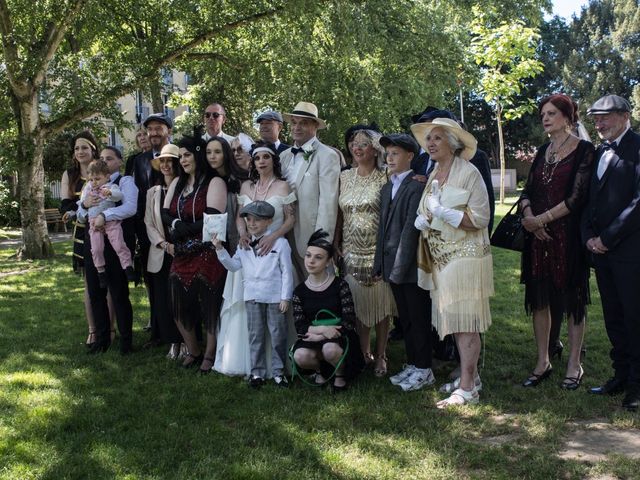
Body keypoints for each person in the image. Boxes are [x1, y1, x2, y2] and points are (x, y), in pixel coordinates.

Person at [412, 118, 493, 407]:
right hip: (442, 258)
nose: (430, 143)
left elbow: (480, 218)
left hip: (466, 258)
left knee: (466, 323)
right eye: (429, 139)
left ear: (453, 143)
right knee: (457, 323)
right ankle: (471, 378)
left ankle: (468, 388)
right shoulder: (435, 171)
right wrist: (425, 218)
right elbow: (428, 211)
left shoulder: (469, 173)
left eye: (437, 138)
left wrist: (443, 212)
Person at [519, 94, 595, 390]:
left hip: (568, 238)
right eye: (542, 115)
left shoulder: (584, 150)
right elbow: (527, 190)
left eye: (551, 113)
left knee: (574, 301)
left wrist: (542, 219)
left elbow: (577, 198)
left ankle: (575, 365)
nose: (545, 118)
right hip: (538, 238)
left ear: (567, 116)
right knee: (540, 300)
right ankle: (543, 361)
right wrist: (528, 216)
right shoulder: (542, 151)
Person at [214, 140, 296, 376]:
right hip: (248, 250)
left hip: (274, 249)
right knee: (250, 317)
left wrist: (274, 237)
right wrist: (242, 235)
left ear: (273, 160)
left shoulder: (283, 187)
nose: (261, 162)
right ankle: (252, 366)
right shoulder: (246, 187)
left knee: (276, 320)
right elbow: (240, 217)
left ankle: (279, 367)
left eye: (266, 157)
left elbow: (291, 218)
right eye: (257, 158)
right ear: (253, 161)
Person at [582, 94, 640, 411]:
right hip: (601, 253)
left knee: (634, 317)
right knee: (613, 317)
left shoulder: (638, 147)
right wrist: (589, 237)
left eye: (605, 118)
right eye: (596, 119)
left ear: (624, 115)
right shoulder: (600, 151)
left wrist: (607, 237)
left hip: (630, 252)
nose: (600, 124)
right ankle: (619, 375)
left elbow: (637, 204)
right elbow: (591, 200)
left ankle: (637, 384)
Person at [373, 133, 434, 391]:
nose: (390, 158)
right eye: (387, 153)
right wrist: (379, 265)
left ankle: (425, 368)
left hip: (409, 268)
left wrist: (397, 268)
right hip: (392, 268)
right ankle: (412, 363)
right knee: (405, 319)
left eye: (395, 153)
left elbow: (410, 230)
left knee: (418, 317)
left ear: (410, 156)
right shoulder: (387, 187)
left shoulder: (417, 186)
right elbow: (382, 230)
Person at [162, 133, 227, 372]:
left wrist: (181, 226)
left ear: (197, 154)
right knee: (176, 299)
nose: (183, 160)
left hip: (207, 249)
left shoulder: (214, 182)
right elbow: (165, 213)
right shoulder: (178, 183)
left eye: (187, 155)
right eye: (180, 157)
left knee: (209, 303)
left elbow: (212, 217)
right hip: (181, 251)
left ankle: (209, 354)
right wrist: (177, 224)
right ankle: (194, 349)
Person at [213, 201, 294, 388]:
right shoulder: (244, 245)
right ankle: (257, 373)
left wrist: (285, 297)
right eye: (249, 219)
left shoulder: (280, 244)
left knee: (278, 335)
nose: (252, 223)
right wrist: (219, 248)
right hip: (252, 297)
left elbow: (287, 272)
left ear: (269, 221)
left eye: (257, 220)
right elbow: (233, 266)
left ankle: (278, 372)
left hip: (275, 297)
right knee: (255, 335)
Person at [336, 128, 396, 376]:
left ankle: (381, 355)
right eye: (353, 143)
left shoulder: (386, 176)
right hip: (350, 248)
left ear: (375, 149)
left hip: (377, 248)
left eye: (363, 143)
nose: (356, 147)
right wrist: (335, 240)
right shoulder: (345, 177)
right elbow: (339, 212)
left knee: (381, 303)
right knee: (358, 302)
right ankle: (363, 352)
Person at [79, 146, 138, 354]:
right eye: (102, 158)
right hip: (94, 240)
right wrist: (85, 205)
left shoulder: (124, 182)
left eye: (110, 158)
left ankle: (126, 340)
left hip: (115, 241)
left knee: (119, 293)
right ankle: (102, 338)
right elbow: (80, 214)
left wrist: (107, 215)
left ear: (119, 162)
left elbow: (130, 207)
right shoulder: (90, 185)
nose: (105, 161)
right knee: (96, 292)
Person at [60, 131, 116, 346]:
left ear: (93, 149)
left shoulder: (103, 170)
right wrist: (83, 205)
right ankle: (93, 330)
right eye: (76, 148)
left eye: (84, 147)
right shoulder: (70, 175)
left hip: (107, 228)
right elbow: (65, 207)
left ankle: (110, 328)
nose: (80, 151)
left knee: (109, 282)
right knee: (89, 284)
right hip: (83, 232)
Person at [291, 230, 365, 391]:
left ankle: (340, 374)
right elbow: (300, 326)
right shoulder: (299, 291)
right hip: (314, 336)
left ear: (328, 262)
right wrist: (323, 331)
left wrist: (327, 333)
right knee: (300, 355)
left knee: (330, 349)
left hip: (340, 337)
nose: (311, 261)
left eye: (318, 257)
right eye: (309, 255)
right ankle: (320, 371)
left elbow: (349, 321)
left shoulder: (340, 285)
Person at [280, 101, 341, 278]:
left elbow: (328, 204)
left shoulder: (327, 155)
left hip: (310, 237)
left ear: (315, 126)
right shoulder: (284, 156)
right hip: (282, 235)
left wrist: (321, 243)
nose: (297, 127)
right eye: (294, 122)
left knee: (317, 290)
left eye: (303, 123)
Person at [125, 113, 171, 334]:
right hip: (146, 229)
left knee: (174, 280)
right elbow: (137, 196)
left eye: (158, 128)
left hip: (173, 229)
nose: (153, 133)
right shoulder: (140, 161)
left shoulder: (178, 154)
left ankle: (180, 330)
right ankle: (157, 327)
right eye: (150, 129)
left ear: (167, 131)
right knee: (151, 279)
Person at [144, 143, 184, 359]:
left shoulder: (186, 189)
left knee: (182, 300)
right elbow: (148, 223)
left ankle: (186, 342)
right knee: (162, 300)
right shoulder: (153, 192)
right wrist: (163, 244)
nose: (166, 165)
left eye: (170, 160)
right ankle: (172, 343)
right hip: (160, 253)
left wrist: (176, 245)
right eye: (163, 161)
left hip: (182, 252)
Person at [78, 160, 135, 287]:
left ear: (107, 177)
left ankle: (127, 266)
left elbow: (118, 196)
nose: (94, 182)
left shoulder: (110, 187)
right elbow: (81, 206)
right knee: (97, 249)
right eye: (91, 179)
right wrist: (83, 205)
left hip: (111, 222)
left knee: (119, 244)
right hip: (94, 223)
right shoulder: (88, 189)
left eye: (97, 179)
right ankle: (100, 271)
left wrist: (110, 193)